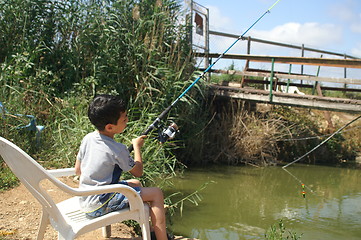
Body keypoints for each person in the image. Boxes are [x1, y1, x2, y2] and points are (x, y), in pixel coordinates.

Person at [74, 94, 170, 240]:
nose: (127, 121)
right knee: (156, 193)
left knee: (135, 184)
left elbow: (78, 170)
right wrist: (137, 147)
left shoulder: (88, 138)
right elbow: (138, 171)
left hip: (86, 199)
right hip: (100, 204)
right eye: (124, 119)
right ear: (110, 127)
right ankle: (162, 238)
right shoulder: (118, 149)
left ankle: (150, 229)